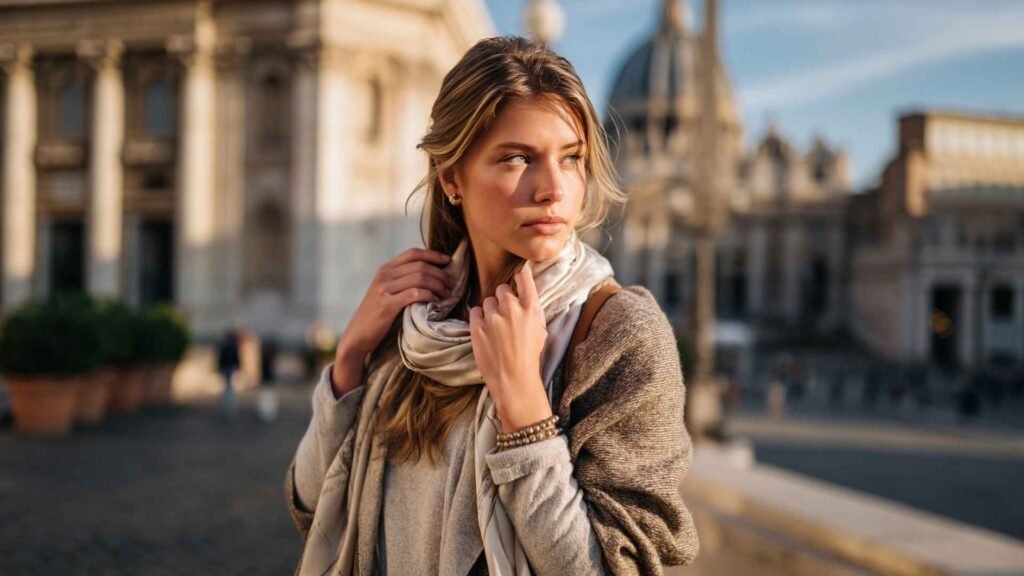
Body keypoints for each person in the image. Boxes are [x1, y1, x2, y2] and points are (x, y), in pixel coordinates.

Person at [285, 36, 698, 575]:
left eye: (571, 158)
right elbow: (311, 507)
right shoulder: (415, 326)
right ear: (452, 177)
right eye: (518, 158)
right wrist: (351, 359)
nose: (553, 188)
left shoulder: (621, 335)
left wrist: (525, 410)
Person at [216, 330, 240, 419]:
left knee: (227, 387)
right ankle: (228, 406)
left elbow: (221, 358)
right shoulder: (233, 346)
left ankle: (226, 405)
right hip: (230, 368)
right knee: (229, 387)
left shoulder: (224, 346)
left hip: (226, 368)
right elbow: (236, 358)